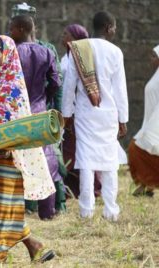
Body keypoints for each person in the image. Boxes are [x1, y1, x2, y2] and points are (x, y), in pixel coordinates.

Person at [0, 35, 55, 264]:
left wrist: (6, 150)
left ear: (7, 55)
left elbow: (18, 125)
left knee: (0, 209)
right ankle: (34, 246)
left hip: (7, 157)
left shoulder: (13, 85)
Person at [62, 11, 128, 221]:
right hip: (108, 114)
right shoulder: (115, 52)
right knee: (109, 162)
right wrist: (123, 119)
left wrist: (67, 114)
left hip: (84, 113)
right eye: (115, 28)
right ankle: (111, 210)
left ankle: (86, 211)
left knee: (86, 160)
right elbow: (120, 89)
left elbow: (69, 86)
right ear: (108, 27)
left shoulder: (78, 49)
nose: (115, 31)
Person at [9, 15, 64, 219]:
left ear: (21, 29)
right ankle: (47, 212)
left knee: (15, 160)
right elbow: (57, 82)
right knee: (45, 160)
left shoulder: (11, 52)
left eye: (11, 29)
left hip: (16, 113)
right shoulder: (47, 52)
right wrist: (44, 99)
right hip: (39, 112)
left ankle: (18, 210)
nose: (9, 33)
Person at [59, 24, 103, 199]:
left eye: (66, 34)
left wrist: (68, 113)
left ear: (76, 38)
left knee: (80, 150)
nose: (63, 37)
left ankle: (93, 188)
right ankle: (71, 187)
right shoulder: (65, 57)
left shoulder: (84, 58)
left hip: (80, 112)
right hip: (68, 111)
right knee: (68, 149)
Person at [128, 45, 159, 197]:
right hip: (150, 122)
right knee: (138, 150)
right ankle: (146, 185)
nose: (150, 60)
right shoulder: (156, 75)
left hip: (155, 124)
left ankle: (146, 184)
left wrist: (153, 127)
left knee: (136, 149)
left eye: (154, 56)